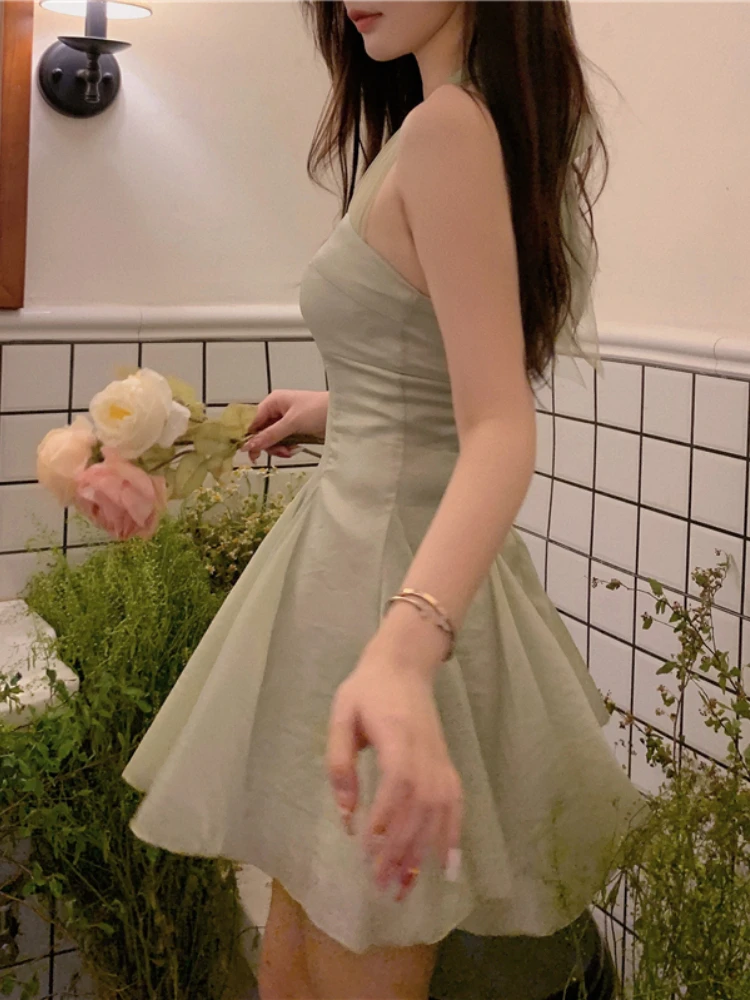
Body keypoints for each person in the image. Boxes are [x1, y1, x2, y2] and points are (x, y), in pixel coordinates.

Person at [122, 3, 645, 998]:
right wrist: (338, 408)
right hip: (348, 571)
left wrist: (405, 648)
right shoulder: (436, 122)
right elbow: (438, 370)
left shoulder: (450, 128)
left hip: (386, 585)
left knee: (348, 937)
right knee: (298, 936)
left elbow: (500, 424)